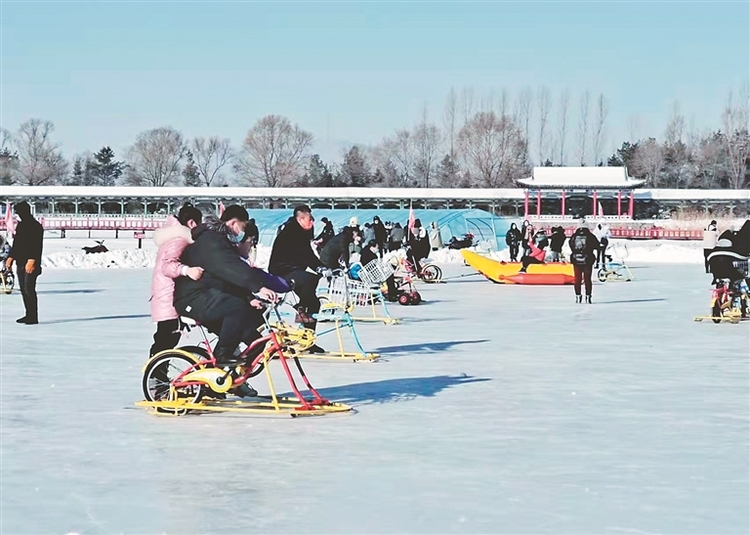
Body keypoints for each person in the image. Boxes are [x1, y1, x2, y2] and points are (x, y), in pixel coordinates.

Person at [174, 205, 278, 368]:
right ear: (234, 224)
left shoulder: (219, 240)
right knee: (236, 307)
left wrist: (249, 297)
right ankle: (223, 355)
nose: (243, 233)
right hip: (193, 298)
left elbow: (227, 278)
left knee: (254, 340)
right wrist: (258, 287)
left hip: (207, 295)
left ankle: (225, 379)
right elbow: (231, 268)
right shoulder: (212, 240)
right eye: (243, 227)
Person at [268, 205, 326, 353]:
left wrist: (320, 267)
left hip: (294, 268)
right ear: (300, 219)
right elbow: (305, 254)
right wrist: (319, 267)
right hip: (281, 269)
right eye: (309, 219)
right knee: (309, 279)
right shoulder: (292, 231)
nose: (312, 222)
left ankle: (308, 341)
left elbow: (307, 254)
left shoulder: (302, 231)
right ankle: (302, 308)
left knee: (315, 303)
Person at [149, 203, 204, 357]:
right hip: (169, 297)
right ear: (192, 223)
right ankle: (155, 376)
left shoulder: (174, 237)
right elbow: (167, 266)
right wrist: (187, 270)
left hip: (166, 295)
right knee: (166, 340)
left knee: (166, 339)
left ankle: (156, 374)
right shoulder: (179, 239)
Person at [6, 202, 44, 324]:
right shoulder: (21, 226)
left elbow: (37, 246)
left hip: (30, 263)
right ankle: (28, 314)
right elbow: (17, 245)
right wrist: (11, 257)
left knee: (29, 289)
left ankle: (33, 316)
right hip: (20, 262)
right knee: (23, 289)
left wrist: (32, 260)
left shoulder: (35, 226)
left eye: (19, 212)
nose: (18, 215)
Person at [569, 222, 600, 303]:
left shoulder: (574, 236)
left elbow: (571, 245)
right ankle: (588, 296)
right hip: (588, 259)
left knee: (577, 279)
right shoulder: (591, 236)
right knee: (587, 279)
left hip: (576, 259)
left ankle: (578, 296)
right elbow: (597, 245)